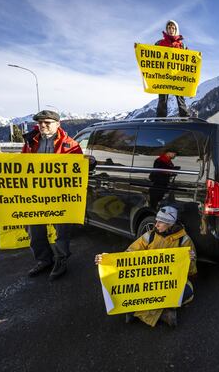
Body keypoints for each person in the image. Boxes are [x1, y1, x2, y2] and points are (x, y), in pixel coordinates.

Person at [95, 206, 197, 327]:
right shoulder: (150, 235)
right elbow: (129, 255)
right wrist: (108, 259)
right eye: (156, 220)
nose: (156, 224)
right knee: (127, 286)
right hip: (148, 281)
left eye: (160, 222)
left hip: (169, 282)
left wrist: (190, 260)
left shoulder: (184, 240)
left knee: (188, 292)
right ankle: (164, 314)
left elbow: (191, 272)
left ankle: (135, 311)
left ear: (170, 224)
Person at [22, 110, 83, 281]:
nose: (42, 125)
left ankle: (61, 260)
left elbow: (78, 169)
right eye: (40, 122)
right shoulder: (30, 142)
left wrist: (89, 163)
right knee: (34, 229)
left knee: (61, 231)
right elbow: (19, 164)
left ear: (58, 124)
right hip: (35, 194)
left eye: (47, 122)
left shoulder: (71, 144)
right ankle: (44, 260)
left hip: (60, 196)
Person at [155, 20, 190, 118]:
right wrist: (139, 49)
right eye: (169, 28)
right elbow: (151, 54)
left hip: (177, 75)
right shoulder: (159, 43)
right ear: (166, 29)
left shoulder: (182, 46)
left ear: (176, 30)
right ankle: (160, 119)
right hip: (164, 75)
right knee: (162, 98)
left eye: (173, 28)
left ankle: (184, 118)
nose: (171, 30)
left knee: (180, 97)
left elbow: (188, 59)